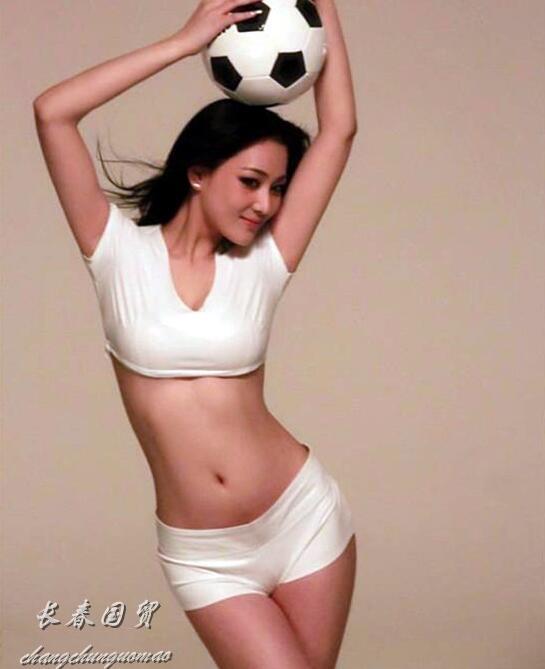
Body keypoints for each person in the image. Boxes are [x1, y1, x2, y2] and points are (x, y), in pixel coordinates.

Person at [33, 1, 358, 667]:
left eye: (277, 188)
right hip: (207, 555)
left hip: (302, 517)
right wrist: (183, 44)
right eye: (250, 182)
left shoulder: (264, 261)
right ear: (198, 171)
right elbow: (53, 112)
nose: (265, 204)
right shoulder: (114, 251)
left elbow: (340, 130)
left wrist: (321, 4)